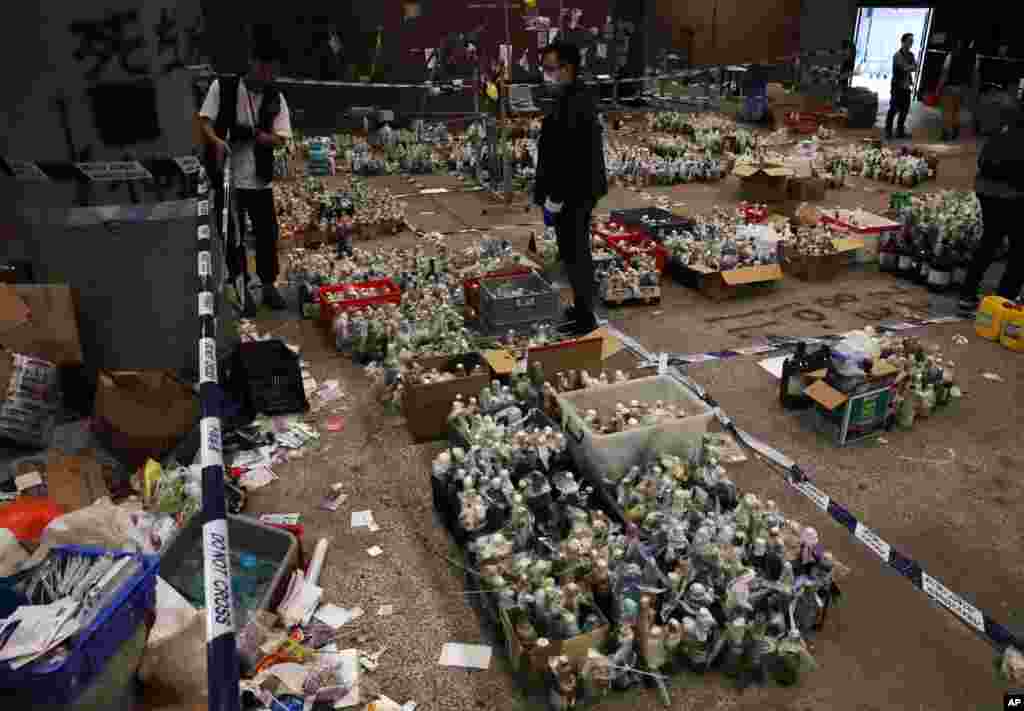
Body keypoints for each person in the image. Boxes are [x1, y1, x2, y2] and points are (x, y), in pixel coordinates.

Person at [199, 28, 293, 313]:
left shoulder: (275, 95)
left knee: (267, 235)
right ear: (253, 62)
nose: (268, 76)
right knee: (232, 237)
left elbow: (282, 136)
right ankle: (240, 287)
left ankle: (268, 286)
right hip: (228, 178)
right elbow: (203, 121)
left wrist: (261, 137)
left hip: (259, 180)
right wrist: (217, 141)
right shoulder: (223, 87)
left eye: (273, 71)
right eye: (264, 68)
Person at [534, 41, 608, 336]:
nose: (546, 75)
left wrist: (555, 199)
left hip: (574, 193)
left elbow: (570, 158)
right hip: (576, 190)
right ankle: (580, 307)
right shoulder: (569, 97)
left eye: (551, 69)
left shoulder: (574, 104)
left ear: (568, 69)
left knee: (577, 253)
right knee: (572, 250)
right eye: (544, 69)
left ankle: (585, 317)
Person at [958, 119, 1024, 314]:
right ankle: (1003, 302)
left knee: (990, 240)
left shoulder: (1006, 127)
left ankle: (967, 294)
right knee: (1019, 251)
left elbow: (982, 160)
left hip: (987, 192)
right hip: (1014, 196)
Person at [936, 38, 977, 141]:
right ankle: (955, 131)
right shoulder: (973, 58)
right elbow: (974, 74)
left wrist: (938, 88)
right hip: (963, 88)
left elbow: (944, 73)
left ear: (958, 44)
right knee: (956, 111)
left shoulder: (951, 55)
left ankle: (946, 133)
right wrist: (973, 89)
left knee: (947, 111)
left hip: (950, 87)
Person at [885, 33, 917, 140]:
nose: (911, 43)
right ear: (903, 42)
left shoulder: (911, 55)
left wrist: (908, 67)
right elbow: (904, 68)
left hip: (906, 86)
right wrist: (909, 67)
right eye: (909, 41)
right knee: (893, 109)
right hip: (897, 86)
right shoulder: (897, 55)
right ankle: (888, 131)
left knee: (905, 110)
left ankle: (900, 131)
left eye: (912, 41)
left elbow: (914, 67)